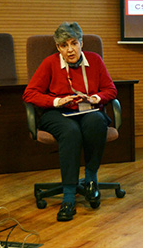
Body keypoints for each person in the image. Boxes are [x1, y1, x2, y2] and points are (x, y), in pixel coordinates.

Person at [23, 22, 117, 222]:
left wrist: (96, 98)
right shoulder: (50, 63)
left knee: (96, 122)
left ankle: (91, 180)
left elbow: (111, 90)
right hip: (57, 113)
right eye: (64, 45)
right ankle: (68, 198)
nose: (70, 49)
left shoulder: (95, 60)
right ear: (58, 48)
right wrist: (56, 101)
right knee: (71, 131)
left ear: (81, 43)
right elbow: (30, 93)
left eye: (74, 43)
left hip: (87, 110)